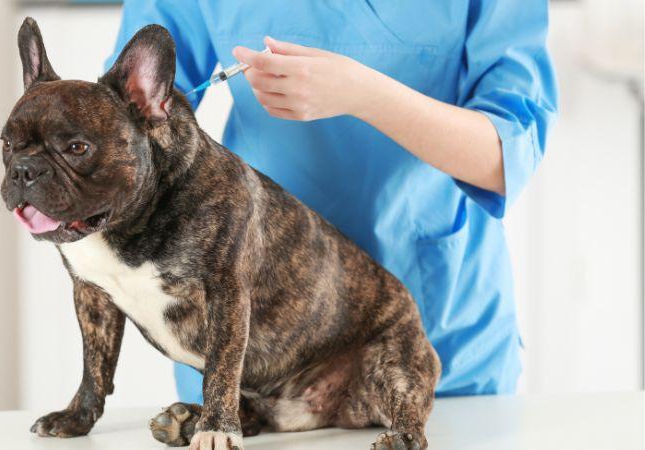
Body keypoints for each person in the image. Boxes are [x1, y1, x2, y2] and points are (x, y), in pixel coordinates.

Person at [105, 0, 557, 399]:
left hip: (436, 338)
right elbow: (123, 127)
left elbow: (504, 158)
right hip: (250, 356)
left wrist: (363, 94)